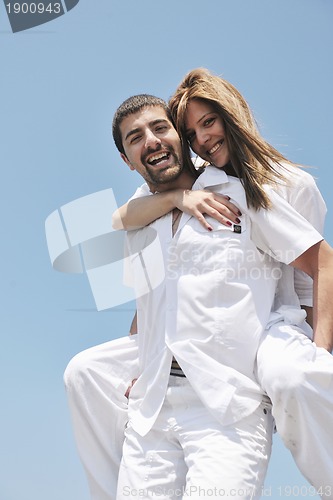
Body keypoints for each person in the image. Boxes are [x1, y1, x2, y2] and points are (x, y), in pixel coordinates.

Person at [62, 81, 332, 500]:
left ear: (180, 138)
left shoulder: (243, 193)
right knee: (82, 372)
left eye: (160, 128)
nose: (151, 141)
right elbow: (150, 302)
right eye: (136, 138)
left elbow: (320, 262)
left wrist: (318, 349)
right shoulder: (141, 217)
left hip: (226, 409)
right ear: (126, 159)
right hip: (152, 416)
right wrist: (141, 364)